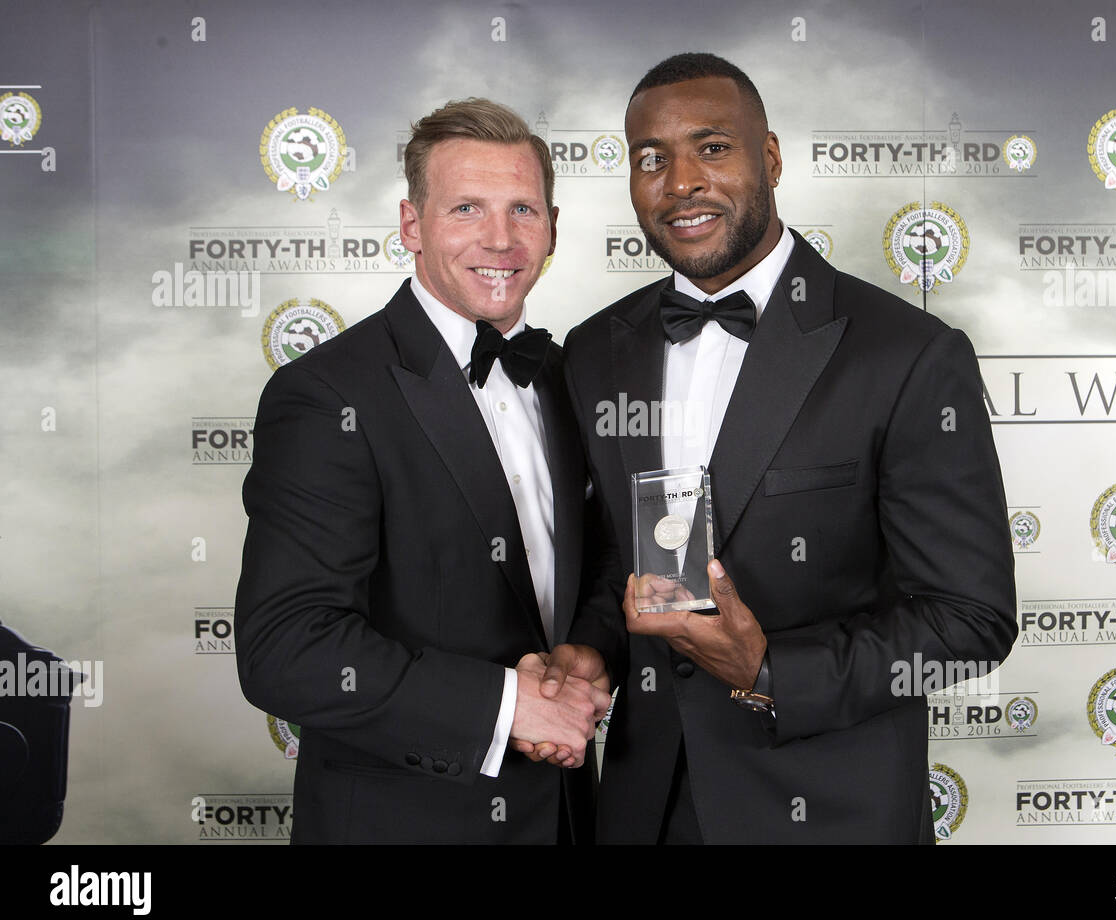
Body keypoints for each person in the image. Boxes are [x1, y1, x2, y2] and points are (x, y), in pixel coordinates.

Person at [526, 53, 1017, 843]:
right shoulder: (593, 351)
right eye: (651, 158)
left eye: (712, 147)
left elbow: (971, 618)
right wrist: (594, 648)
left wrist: (769, 672)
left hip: (829, 812)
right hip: (643, 807)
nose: (680, 180)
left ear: (773, 159)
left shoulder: (906, 354)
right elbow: (627, 553)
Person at [234, 98, 609, 844]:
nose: (500, 239)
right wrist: (508, 705)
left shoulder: (574, 379)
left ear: (554, 229)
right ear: (412, 225)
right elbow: (287, 646)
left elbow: (595, 568)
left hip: (567, 819)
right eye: (466, 207)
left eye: (523, 210)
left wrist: (589, 651)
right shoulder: (328, 394)